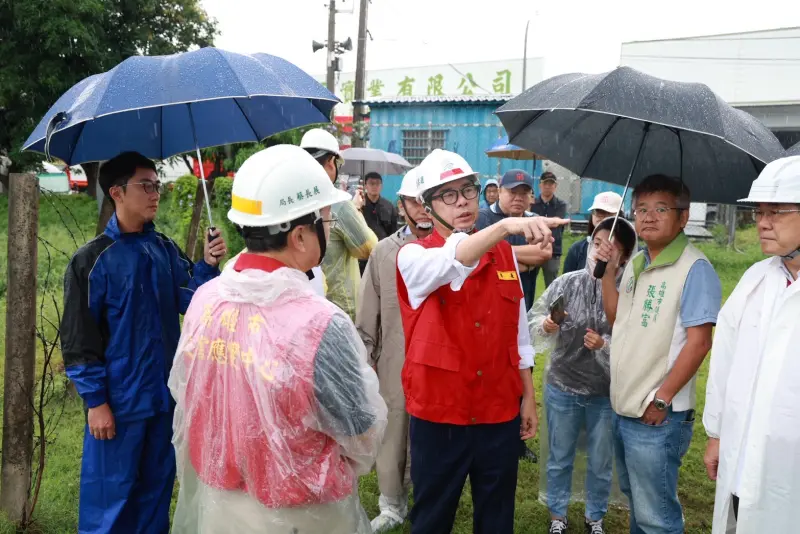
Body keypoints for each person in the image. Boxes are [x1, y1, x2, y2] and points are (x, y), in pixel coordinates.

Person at [168, 145, 387, 534]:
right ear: (300, 236)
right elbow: (361, 436)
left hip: (220, 508)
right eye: (325, 218)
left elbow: (188, 396)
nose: (329, 227)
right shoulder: (321, 323)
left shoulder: (205, 301)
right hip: (304, 515)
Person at [396, 149, 568, 534]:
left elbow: (518, 333)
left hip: (497, 410)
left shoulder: (503, 254)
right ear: (427, 208)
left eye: (468, 191)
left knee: (496, 517)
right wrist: (505, 226)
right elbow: (455, 259)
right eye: (448, 195)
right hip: (441, 413)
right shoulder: (413, 256)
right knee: (432, 517)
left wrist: (527, 395)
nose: (462, 202)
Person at [61, 151, 227, 533]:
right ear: (117, 192)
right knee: (111, 500)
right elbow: (79, 337)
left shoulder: (163, 249)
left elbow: (192, 299)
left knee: (156, 492)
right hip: (119, 403)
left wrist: (207, 265)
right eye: (146, 186)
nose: (156, 194)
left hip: (162, 397)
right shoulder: (91, 261)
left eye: (157, 185)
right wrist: (96, 402)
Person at [594, 174, 721, 534]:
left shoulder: (695, 269)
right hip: (625, 405)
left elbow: (700, 342)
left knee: (656, 517)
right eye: (641, 209)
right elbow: (618, 319)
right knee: (639, 503)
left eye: (661, 209)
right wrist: (609, 273)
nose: (648, 217)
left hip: (657, 414)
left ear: (683, 217)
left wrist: (662, 398)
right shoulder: (637, 263)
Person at [703, 156, 800, 534]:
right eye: (760, 211)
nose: (761, 222)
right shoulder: (756, 279)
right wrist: (716, 435)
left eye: (776, 212)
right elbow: (724, 362)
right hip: (741, 453)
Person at [530, 216, 637, 534]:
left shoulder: (628, 293)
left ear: (624, 258)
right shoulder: (567, 283)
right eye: (597, 243)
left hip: (604, 392)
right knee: (559, 455)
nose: (600, 251)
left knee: (601, 460)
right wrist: (547, 325)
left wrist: (605, 346)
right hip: (563, 386)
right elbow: (534, 321)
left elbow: (634, 344)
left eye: (610, 248)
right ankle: (557, 516)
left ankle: (595, 517)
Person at [356, 168, 433, 533]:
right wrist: (367, 357)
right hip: (395, 357)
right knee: (394, 427)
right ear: (401, 206)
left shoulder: (454, 250)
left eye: (427, 201)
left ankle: (429, 498)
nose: (422, 209)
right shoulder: (385, 253)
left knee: (433, 432)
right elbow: (368, 311)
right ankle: (391, 502)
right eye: (414, 202)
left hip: (438, 360)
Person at [301, 128, 378, 321]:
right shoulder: (340, 205)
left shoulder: (295, 199)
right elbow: (369, 248)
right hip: (341, 310)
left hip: (305, 309)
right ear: (330, 162)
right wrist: (356, 210)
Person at [477, 169, 553, 312]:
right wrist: (526, 263)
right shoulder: (482, 218)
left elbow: (544, 252)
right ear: (500, 192)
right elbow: (478, 257)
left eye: (524, 193)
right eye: (512, 192)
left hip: (524, 299)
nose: (518, 198)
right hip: (488, 302)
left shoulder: (533, 219)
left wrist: (497, 252)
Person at [564, 191, 624, 274]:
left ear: (621, 216)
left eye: (608, 213)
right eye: (598, 212)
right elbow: (567, 280)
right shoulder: (577, 249)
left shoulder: (634, 251)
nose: (602, 217)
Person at [530, 171, 568, 288]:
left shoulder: (561, 204)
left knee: (552, 286)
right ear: (540, 185)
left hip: (553, 249)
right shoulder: (532, 203)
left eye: (551, 184)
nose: (547, 186)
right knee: (529, 283)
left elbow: (556, 223)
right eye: (545, 183)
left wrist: (537, 222)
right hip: (534, 248)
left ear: (555, 186)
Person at [361, 171, 398, 241]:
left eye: (378, 183)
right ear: (365, 186)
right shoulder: (360, 205)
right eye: (371, 183)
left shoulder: (389, 206)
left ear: (381, 186)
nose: (375, 186)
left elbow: (394, 231)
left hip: (384, 244)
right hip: (364, 244)